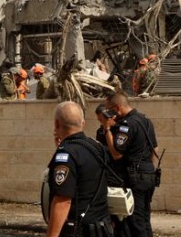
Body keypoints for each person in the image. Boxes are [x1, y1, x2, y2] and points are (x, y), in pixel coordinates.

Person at [46, 101, 113, 237]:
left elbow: (63, 201)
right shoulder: (96, 147)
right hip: (103, 227)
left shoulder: (66, 155)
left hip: (80, 229)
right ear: (83, 123)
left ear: (57, 124)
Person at [100, 92, 158, 237]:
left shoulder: (126, 125)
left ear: (117, 108)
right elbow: (155, 149)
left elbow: (116, 154)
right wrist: (147, 170)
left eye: (109, 110)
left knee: (136, 222)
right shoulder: (145, 119)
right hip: (149, 174)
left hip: (135, 177)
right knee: (145, 219)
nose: (108, 114)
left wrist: (107, 129)